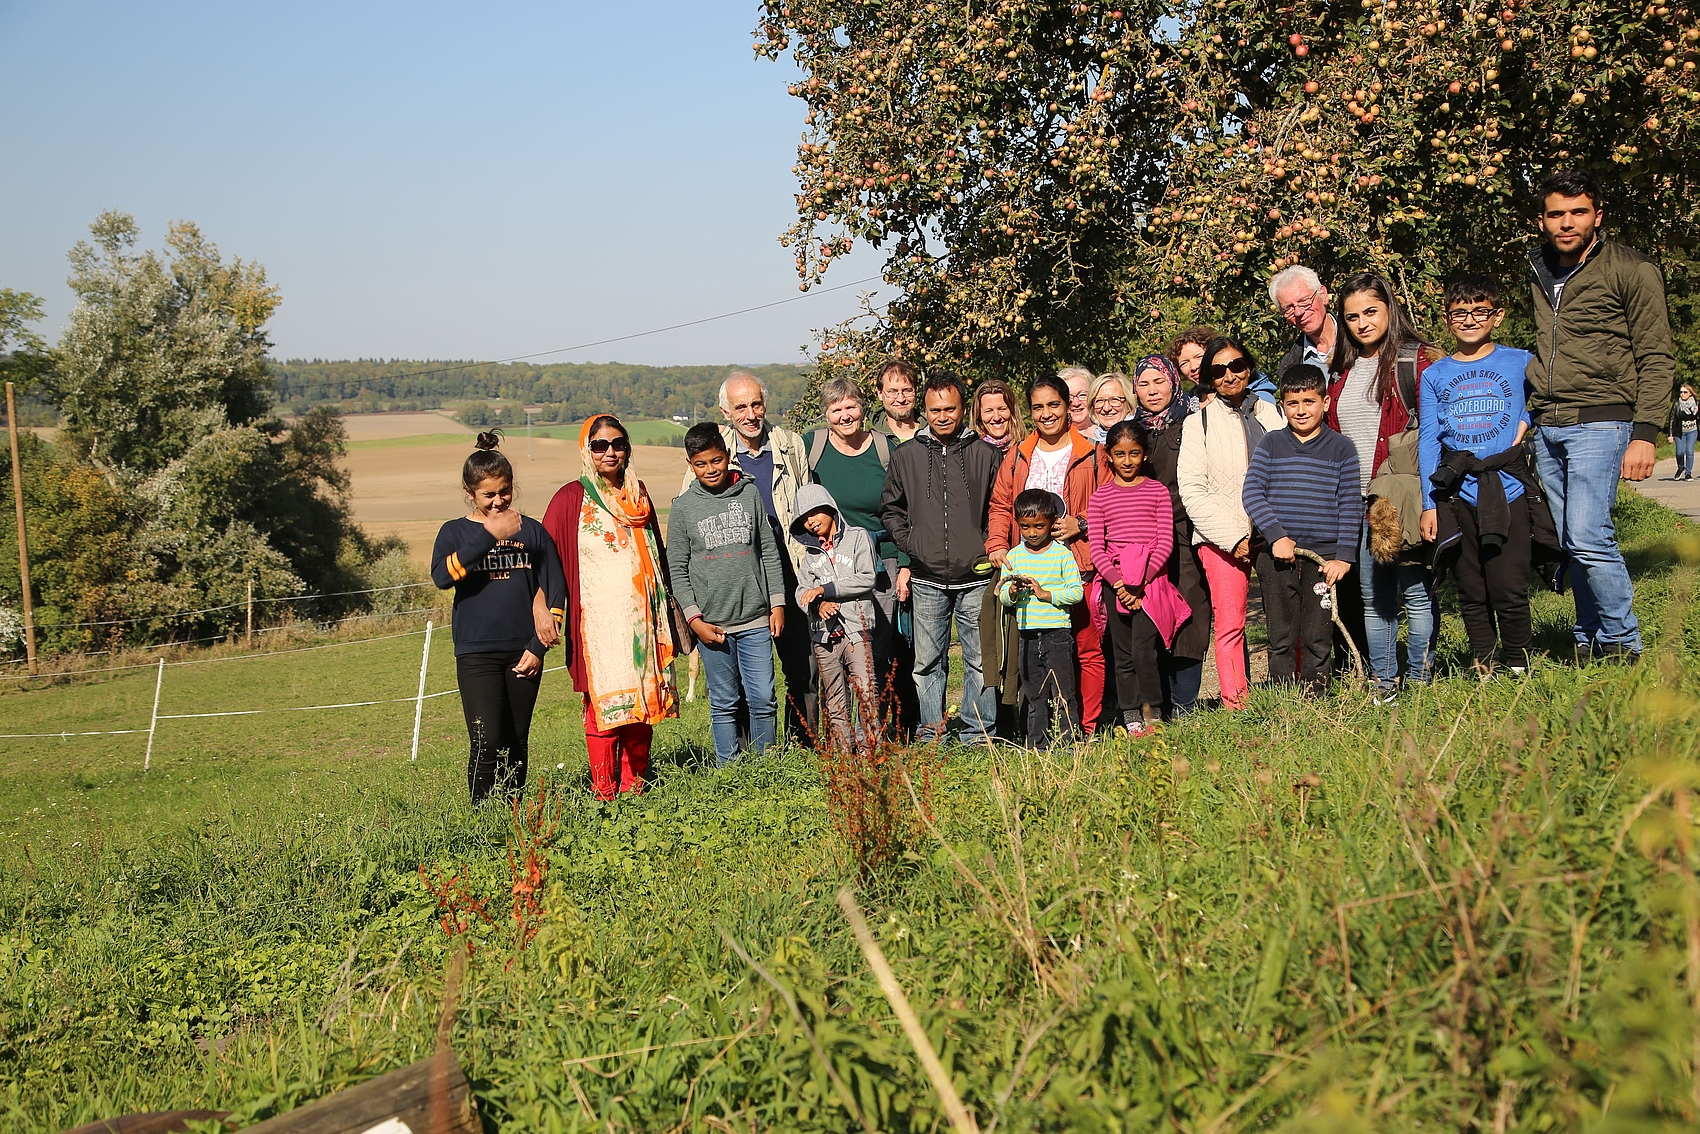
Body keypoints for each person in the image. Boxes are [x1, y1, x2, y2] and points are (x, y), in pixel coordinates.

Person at [1528, 170, 1676, 663]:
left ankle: (1622, 641)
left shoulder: (1632, 270)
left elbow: (1657, 357)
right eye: (1556, 214)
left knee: (1590, 535)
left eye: (1578, 212)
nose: (1566, 223)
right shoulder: (1539, 268)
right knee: (1571, 540)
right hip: (1549, 422)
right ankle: (1587, 636)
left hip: (1603, 418)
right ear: (1542, 220)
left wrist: (1645, 432)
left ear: (1598, 214)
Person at [542, 416, 681, 800]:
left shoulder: (639, 495)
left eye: (618, 444)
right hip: (599, 627)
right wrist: (545, 609)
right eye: (600, 445)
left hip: (644, 622)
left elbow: (658, 556)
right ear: (586, 449)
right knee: (603, 709)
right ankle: (604, 791)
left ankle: (635, 786)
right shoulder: (571, 498)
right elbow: (545, 558)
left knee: (640, 707)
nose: (610, 452)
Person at [432, 431, 565, 804]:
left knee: (515, 738)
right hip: (476, 653)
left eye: (504, 492)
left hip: (524, 651)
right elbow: (442, 577)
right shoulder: (455, 532)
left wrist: (538, 647)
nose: (498, 501)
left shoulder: (533, 532)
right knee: (486, 739)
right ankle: (481, 815)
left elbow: (556, 589)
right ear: (469, 491)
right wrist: (488, 535)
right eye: (488, 495)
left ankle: (512, 813)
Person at [686, 371, 818, 741]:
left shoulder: (789, 445)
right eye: (740, 406)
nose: (750, 413)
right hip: (736, 577)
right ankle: (746, 752)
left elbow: (807, 503)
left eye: (755, 404)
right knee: (743, 673)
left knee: (803, 666)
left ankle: (803, 743)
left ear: (765, 404)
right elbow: (690, 513)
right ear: (725, 411)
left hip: (790, 569)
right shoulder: (714, 451)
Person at [1326, 272, 1436, 702]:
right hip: (1358, 503)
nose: (1362, 323)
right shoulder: (1343, 371)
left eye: (1371, 312)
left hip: (1400, 495)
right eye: (1352, 316)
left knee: (1416, 595)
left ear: (1389, 308)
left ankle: (1421, 683)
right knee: (1374, 600)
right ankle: (1385, 686)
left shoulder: (1416, 361)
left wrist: (1432, 499)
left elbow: (1432, 435)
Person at [1418, 274, 1536, 676]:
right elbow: (1430, 441)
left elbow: (1545, 398)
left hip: (1508, 486)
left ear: (1497, 316)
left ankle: (1518, 663)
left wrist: (1525, 424)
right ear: (1448, 319)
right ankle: (1484, 663)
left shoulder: (1520, 361)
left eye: (1479, 311)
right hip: (1457, 492)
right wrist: (1427, 502)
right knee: (1470, 585)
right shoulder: (1435, 375)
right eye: (1459, 313)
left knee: (1508, 584)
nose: (1469, 320)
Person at [879, 371, 1002, 744]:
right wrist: (911, 543)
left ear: (963, 408)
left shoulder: (986, 454)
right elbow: (890, 508)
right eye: (934, 410)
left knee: (980, 662)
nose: (942, 416)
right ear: (926, 410)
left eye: (950, 409)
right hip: (927, 575)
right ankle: (932, 733)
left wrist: (986, 545)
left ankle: (978, 732)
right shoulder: (907, 456)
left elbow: (1000, 507)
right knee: (927, 663)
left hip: (977, 574)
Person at [984, 376, 1107, 733]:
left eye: (1054, 404)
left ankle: (1086, 726)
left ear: (1068, 406)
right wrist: (996, 545)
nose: (1046, 413)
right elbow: (1001, 505)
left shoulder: (1092, 453)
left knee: (1086, 651)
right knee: (1033, 654)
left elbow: (1107, 506)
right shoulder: (1019, 454)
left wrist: (1079, 524)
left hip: (1077, 562)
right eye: (1038, 406)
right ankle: (1041, 727)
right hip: (1030, 564)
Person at [668, 424, 787, 765]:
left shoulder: (748, 495)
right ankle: (729, 768)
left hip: (755, 618)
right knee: (723, 701)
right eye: (701, 463)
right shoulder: (683, 508)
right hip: (712, 625)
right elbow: (677, 568)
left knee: (763, 696)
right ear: (690, 464)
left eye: (717, 460)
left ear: (727, 456)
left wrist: (777, 604)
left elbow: (768, 550)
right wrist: (694, 619)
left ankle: (768, 764)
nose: (711, 469)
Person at [1177, 336, 1285, 710]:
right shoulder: (1198, 424)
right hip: (1221, 535)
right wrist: (1232, 537)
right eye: (1218, 370)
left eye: (1236, 366)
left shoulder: (1272, 414)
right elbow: (1192, 490)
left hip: (1274, 532)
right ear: (1209, 378)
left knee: (1284, 615)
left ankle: (1293, 692)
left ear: (1249, 367)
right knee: (1231, 622)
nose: (1229, 375)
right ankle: (1236, 702)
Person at [1241, 366, 1360, 697]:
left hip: (1324, 561)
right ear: (1282, 406)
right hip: (1278, 559)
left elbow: (1350, 504)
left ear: (1325, 402)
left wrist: (1344, 557)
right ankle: (1282, 703)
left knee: (1317, 634)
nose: (1302, 410)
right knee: (1280, 635)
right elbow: (1251, 493)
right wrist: (1276, 535)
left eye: (1309, 401)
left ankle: (1316, 698)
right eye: (1293, 403)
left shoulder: (1342, 448)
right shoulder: (1272, 443)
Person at [803, 378, 915, 730]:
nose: (845, 415)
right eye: (836, 409)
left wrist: (904, 563)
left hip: (880, 559)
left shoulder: (885, 449)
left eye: (851, 406)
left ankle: (878, 732)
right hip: (827, 563)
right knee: (835, 650)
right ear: (826, 414)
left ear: (863, 407)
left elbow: (904, 508)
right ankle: (840, 736)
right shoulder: (813, 447)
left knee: (875, 650)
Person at [1131, 355, 1209, 717]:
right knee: (1152, 616)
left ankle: (1185, 704)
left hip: (1187, 531)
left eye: (1158, 382)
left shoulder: (1194, 422)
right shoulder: (1133, 432)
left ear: (1173, 382)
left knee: (1190, 613)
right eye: (1144, 384)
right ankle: (1158, 703)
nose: (1152, 391)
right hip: (1144, 538)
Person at [1089, 420, 1175, 734]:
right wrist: (1120, 584)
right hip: (1117, 585)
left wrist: (1142, 581)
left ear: (1146, 454)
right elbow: (1097, 549)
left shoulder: (1157, 492)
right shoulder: (1100, 498)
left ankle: (1153, 712)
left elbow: (1165, 541)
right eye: (1120, 454)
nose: (1127, 461)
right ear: (1108, 455)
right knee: (1122, 653)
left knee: (1144, 651)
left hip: (1151, 585)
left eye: (1134, 453)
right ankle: (1130, 715)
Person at [791, 484, 880, 752]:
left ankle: (869, 754)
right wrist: (817, 604)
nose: (810, 521)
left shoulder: (857, 538)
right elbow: (801, 591)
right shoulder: (809, 555)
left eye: (814, 513)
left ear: (830, 508)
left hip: (856, 630)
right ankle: (844, 755)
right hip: (824, 636)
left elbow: (867, 577)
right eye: (804, 518)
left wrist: (825, 589)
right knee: (834, 699)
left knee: (866, 693)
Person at [997, 489, 1085, 745]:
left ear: (1051, 522)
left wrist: (1046, 594)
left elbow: (1075, 592)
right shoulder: (1013, 557)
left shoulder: (1061, 555)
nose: (1032, 533)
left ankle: (1069, 742)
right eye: (1025, 527)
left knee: (1062, 692)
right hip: (1027, 636)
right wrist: (1011, 592)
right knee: (1034, 693)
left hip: (1056, 634)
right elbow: (1003, 596)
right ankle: (1037, 744)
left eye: (1038, 526)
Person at [1273, 265, 1341, 381]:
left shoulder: (1360, 338)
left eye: (1304, 301)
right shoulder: (1291, 366)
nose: (1298, 312)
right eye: (1289, 309)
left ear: (1323, 295)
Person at [973, 378, 1028, 456]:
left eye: (1002, 409)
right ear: (978, 415)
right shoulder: (970, 455)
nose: (996, 418)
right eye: (988, 411)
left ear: (1012, 411)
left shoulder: (1028, 450)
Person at [875, 358, 924, 443]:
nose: (901, 399)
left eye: (907, 390)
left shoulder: (934, 434)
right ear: (880, 393)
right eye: (892, 392)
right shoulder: (871, 441)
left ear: (916, 391)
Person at [1086, 372, 1135, 444]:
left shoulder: (1140, 440)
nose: (1106, 408)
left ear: (1128, 405)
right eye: (1099, 401)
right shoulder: (1090, 445)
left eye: (1115, 400)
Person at [1167, 327, 1218, 391]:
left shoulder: (1233, 393)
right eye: (1184, 363)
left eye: (1199, 357)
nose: (1193, 367)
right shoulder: (1190, 400)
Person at [1673, 384, 1699, 481]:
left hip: (1692, 431)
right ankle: (1680, 467)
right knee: (1679, 452)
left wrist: (1698, 411)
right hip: (1680, 432)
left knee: (1689, 451)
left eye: (1685, 392)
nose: (1682, 394)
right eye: (1681, 392)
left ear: (1690, 393)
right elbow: (1672, 419)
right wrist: (1670, 435)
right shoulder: (1677, 404)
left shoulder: (1696, 403)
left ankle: (1688, 473)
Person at [1060, 366, 1095, 433]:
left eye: (1082, 395)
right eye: (1069, 397)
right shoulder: (1054, 438)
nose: (1076, 403)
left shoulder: (1105, 435)